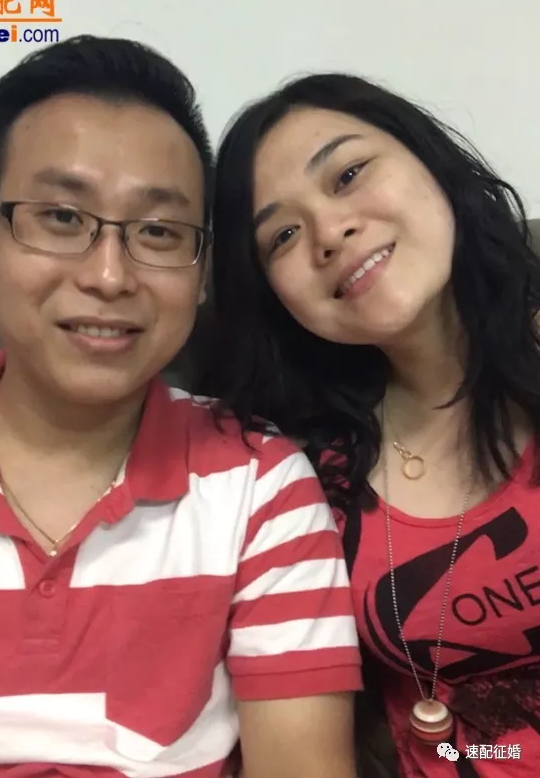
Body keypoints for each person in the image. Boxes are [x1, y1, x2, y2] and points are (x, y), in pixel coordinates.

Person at [0, 37, 362, 777]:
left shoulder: (261, 487)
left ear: (200, 275)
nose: (109, 276)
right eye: (62, 217)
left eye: (159, 232)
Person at [198, 72, 540, 778]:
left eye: (348, 174)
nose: (329, 233)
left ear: (430, 162)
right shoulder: (298, 472)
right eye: (283, 235)